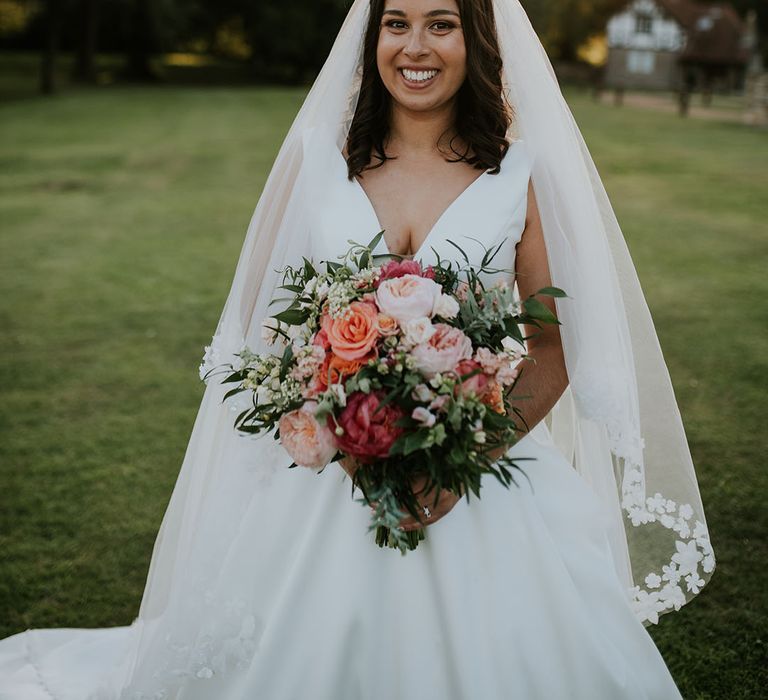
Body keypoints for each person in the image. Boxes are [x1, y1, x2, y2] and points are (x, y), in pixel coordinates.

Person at [0, 1, 714, 698]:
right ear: (371, 39)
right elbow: (261, 340)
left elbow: (551, 351)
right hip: (325, 481)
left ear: (478, 43)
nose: (415, 47)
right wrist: (342, 441)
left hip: (480, 471)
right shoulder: (318, 162)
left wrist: (458, 464)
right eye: (396, 24)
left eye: (442, 25)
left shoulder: (519, 175)